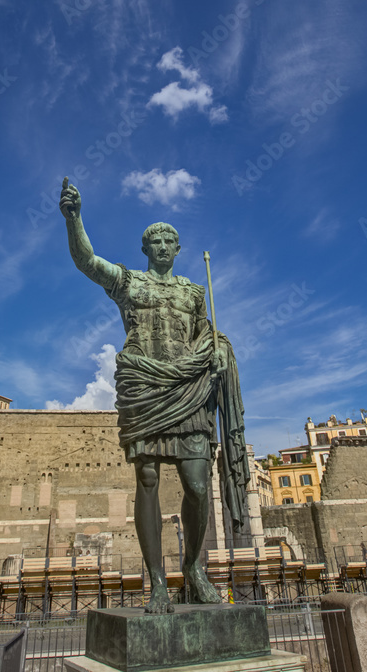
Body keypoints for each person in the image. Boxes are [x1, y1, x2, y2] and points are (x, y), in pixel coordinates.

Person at [59, 177, 249, 613]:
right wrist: (75, 219)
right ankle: (159, 582)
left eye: (170, 240)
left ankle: (194, 570)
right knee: (147, 479)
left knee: (198, 486)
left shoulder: (193, 293)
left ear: (178, 250)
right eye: (156, 240)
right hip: (145, 390)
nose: (163, 246)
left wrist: (220, 353)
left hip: (189, 392)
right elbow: (86, 261)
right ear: (146, 249)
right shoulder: (129, 284)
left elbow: (210, 337)